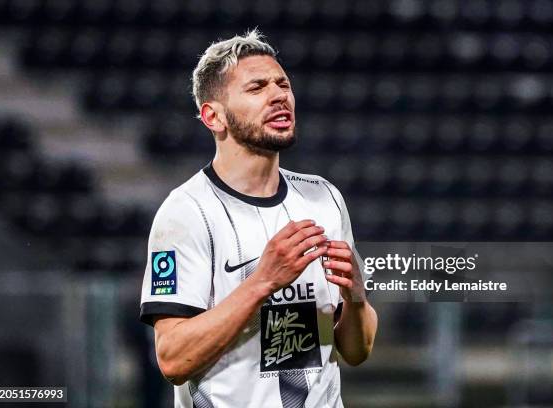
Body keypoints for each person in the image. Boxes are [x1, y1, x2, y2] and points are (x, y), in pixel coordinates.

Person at [139, 29, 377, 408]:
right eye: (257, 88)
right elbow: (172, 359)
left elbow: (357, 351)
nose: (279, 94)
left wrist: (357, 297)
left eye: (283, 84)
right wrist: (263, 281)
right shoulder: (186, 212)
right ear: (213, 117)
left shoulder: (324, 198)